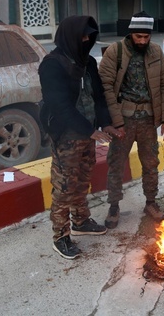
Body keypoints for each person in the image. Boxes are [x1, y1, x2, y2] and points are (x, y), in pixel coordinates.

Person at [38, 15, 121, 260]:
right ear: (71, 36)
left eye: (90, 36)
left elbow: (98, 97)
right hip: (67, 134)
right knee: (65, 185)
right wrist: (89, 130)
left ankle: (81, 221)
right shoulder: (52, 65)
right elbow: (59, 105)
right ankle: (61, 236)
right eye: (83, 36)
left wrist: (105, 123)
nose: (87, 40)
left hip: (88, 132)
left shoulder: (88, 63)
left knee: (83, 179)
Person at [99, 11, 164, 229]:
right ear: (131, 33)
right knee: (116, 163)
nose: (142, 41)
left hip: (148, 121)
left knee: (151, 164)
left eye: (146, 37)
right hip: (123, 119)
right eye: (138, 37)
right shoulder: (116, 51)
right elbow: (105, 86)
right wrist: (116, 121)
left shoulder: (156, 52)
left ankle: (151, 202)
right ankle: (114, 205)